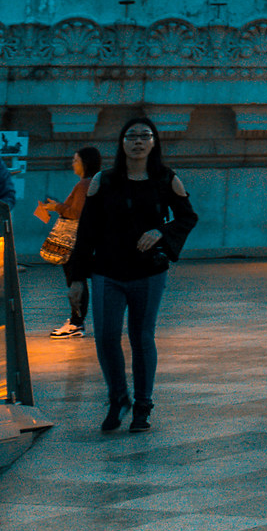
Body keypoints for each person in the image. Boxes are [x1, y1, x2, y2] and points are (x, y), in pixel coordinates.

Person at [71, 116, 197, 433]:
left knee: (142, 338)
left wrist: (161, 232)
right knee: (106, 337)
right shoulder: (104, 181)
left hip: (148, 272)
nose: (138, 141)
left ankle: (143, 405)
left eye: (145, 136)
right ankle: (118, 398)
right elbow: (86, 231)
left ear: (154, 142)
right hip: (107, 271)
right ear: (122, 143)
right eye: (131, 136)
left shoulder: (166, 179)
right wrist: (75, 278)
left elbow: (187, 217)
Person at [34, 146, 102, 338]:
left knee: (76, 282)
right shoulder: (93, 183)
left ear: (84, 163)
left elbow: (78, 214)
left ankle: (76, 323)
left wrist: (57, 207)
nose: (73, 163)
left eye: (76, 160)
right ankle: (77, 322)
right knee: (78, 282)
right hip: (84, 240)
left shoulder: (83, 185)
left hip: (75, 242)